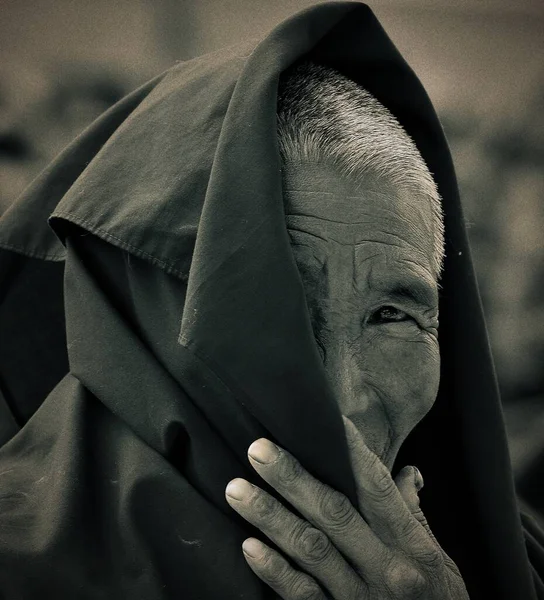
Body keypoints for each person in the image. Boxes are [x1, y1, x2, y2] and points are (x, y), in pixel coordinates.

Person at [0, 2, 542, 598]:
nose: (345, 405)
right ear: (144, 329)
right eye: (273, 319)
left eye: (393, 316)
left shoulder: (501, 563)